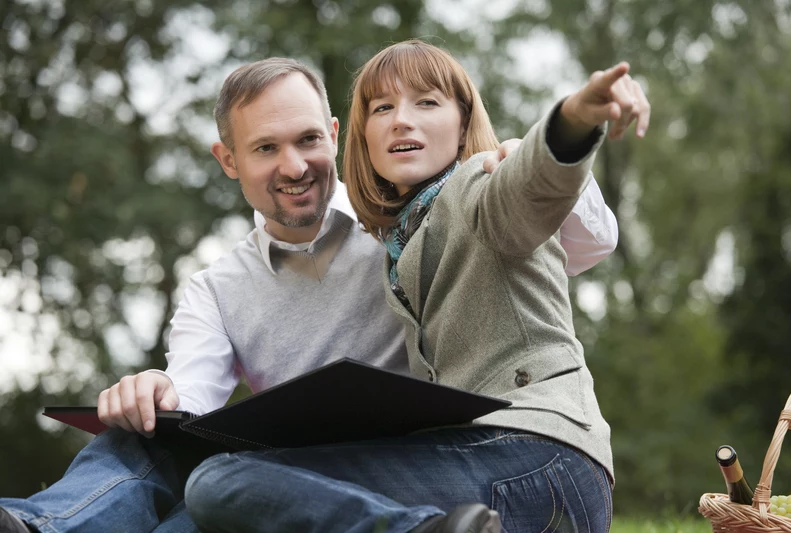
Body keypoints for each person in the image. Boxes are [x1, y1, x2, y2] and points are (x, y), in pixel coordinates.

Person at [0, 52, 631, 533]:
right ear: (228, 159)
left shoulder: (406, 220)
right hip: (301, 483)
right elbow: (191, 407)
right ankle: (39, 526)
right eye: (266, 149)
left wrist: (550, 137)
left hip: (461, 458)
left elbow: (545, 224)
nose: (295, 167)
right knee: (160, 459)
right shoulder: (217, 288)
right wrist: (155, 394)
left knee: (222, 487)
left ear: (332, 134)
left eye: (307, 141)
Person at [180, 41, 649, 533]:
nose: (402, 120)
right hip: (503, 473)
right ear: (362, 137)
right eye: (382, 108)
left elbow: (529, 189)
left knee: (222, 481)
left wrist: (575, 118)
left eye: (427, 102)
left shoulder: (477, 184)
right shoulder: (401, 236)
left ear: (464, 122)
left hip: (538, 457)